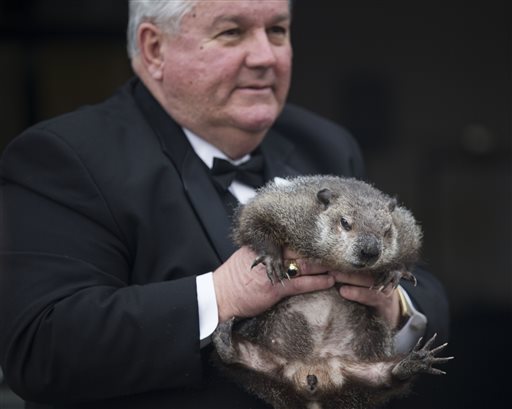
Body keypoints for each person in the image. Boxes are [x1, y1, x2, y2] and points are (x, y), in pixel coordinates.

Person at [0, 1, 449, 408]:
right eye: (231, 32)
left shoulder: (325, 143)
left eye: (277, 30)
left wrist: (393, 308)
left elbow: (427, 292)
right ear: (154, 48)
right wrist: (221, 296)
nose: (265, 56)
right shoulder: (66, 155)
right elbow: (40, 349)